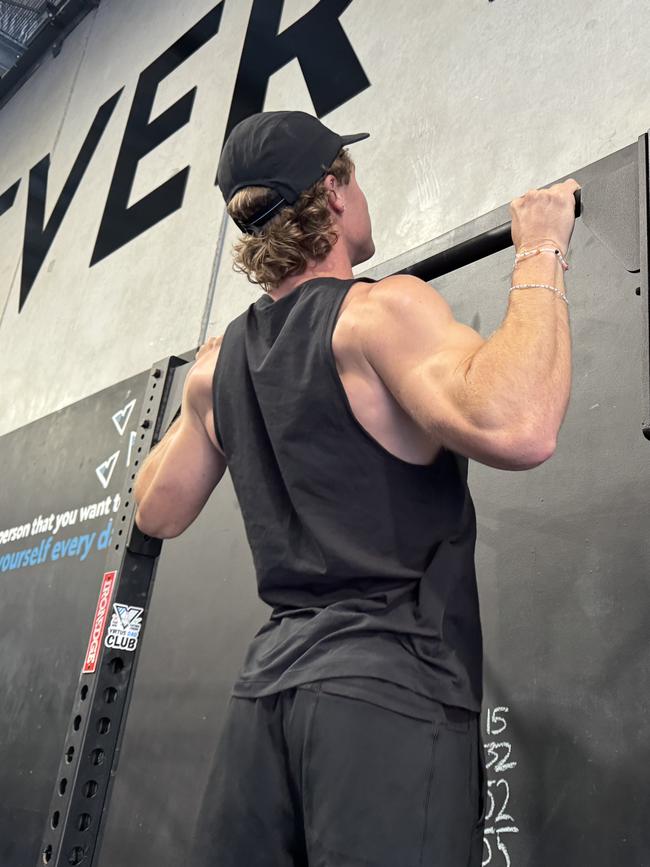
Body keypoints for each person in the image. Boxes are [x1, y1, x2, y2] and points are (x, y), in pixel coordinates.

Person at [134, 110, 580, 866]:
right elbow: (522, 424)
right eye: (354, 176)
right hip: (389, 686)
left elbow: (156, 509)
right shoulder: (375, 312)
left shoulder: (219, 368)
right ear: (335, 192)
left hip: (266, 694)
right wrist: (541, 247)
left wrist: (200, 392)